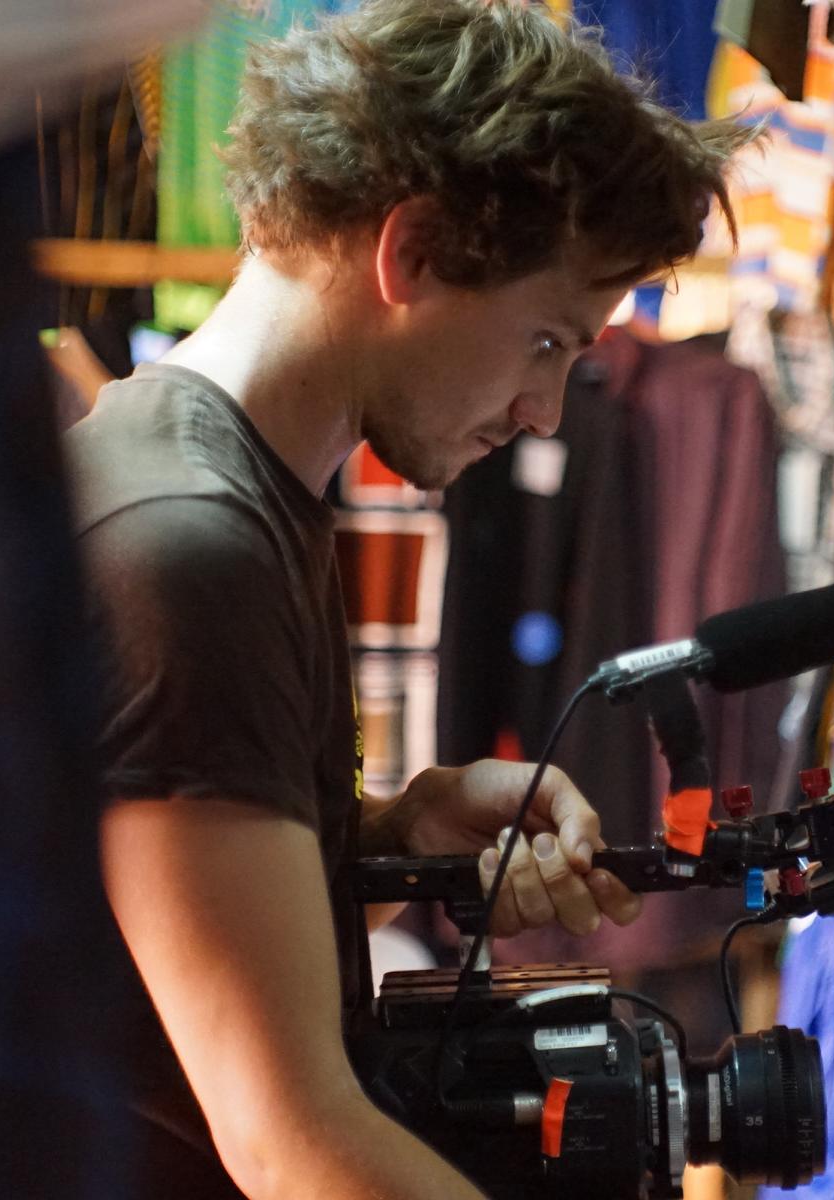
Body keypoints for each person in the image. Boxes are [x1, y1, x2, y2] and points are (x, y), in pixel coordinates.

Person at [64, 2, 751, 1196]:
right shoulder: (191, 547)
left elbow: (152, 905)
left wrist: (399, 827)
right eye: (546, 341)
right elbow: (291, 1146)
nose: (546, 413)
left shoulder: (213, 475)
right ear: (415, 251)